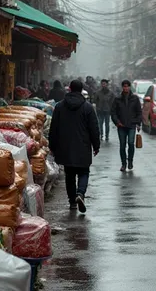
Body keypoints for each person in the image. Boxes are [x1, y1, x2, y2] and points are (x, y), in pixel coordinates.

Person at [49, 79, 100, 213]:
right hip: (83, 145)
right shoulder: (87, 107)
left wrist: (52, 146)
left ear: (70, 89)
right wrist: (96, 145)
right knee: (84, 172)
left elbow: (53, 128)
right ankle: (80, 193)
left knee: (69, 175)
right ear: (81, 89)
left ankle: (72, 202)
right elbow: (94, 128)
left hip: (65, 146)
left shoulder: (60, 106)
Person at [111, 79, 142, 172]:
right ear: (122, 87)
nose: (126, 88)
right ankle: (123, 163)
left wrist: (138, 123)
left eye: (127, 86)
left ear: (129, 87)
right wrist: (117, 122)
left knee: (131, 144)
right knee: (122, 145)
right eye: (124, 86)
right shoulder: (117, 99)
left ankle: (130, 161)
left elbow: (139, 112)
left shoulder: (135, 99)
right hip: (121, 126)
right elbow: (113, 112)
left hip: (132, 125)